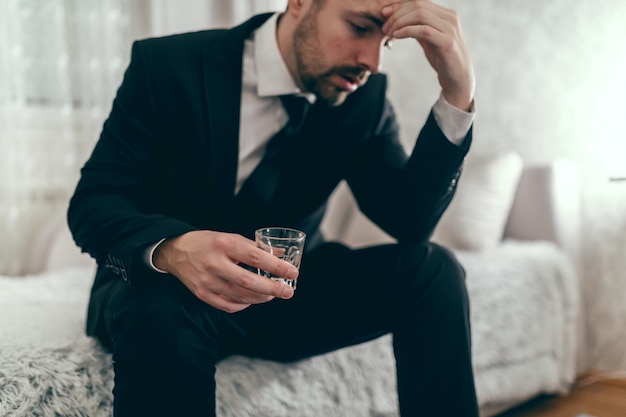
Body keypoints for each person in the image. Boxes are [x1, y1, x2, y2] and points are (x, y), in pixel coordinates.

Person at [68, 0, 479, 415]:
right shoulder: (167, 65)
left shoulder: (363, 100)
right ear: (299, 3)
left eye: (385, 43)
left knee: (434, 269)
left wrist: (457, 93)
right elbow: (95, 199)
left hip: (285, 298)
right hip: (168, 292)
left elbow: (410, 221)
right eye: (358, 27)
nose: (370, 61)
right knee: (164, 308)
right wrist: (174, 249)